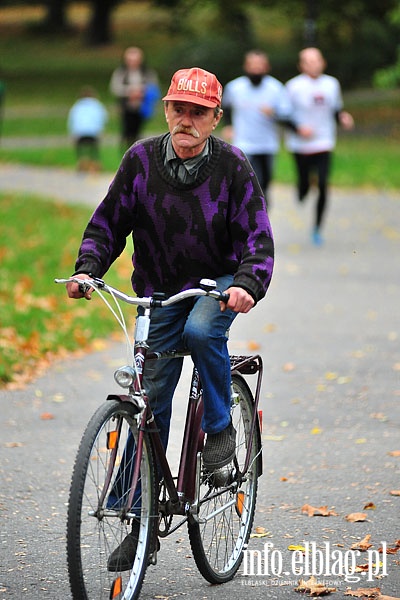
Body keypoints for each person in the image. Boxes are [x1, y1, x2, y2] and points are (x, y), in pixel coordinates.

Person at [65, 66, 274, 570]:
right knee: (150, 399)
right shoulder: (139, 161)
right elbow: (108, 221)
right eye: (179, 109)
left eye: (198, 112)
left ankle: (221, 430)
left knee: (202, 331)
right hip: (158, 292)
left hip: (217, 284)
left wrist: (246, 283)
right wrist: (88, 269)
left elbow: (257, 240)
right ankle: (138, 525)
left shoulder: (233, 167)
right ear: (166, 111)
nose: (187, 119)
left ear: (215, 118)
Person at [285, 47, 354, 245]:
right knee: (305, 183)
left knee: (323, 184)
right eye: (309, 61)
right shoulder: (293, 86)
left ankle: (316, 228)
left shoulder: (332, 84)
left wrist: (343, 117)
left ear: (323, 62)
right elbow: (284, 114)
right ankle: (303, 188)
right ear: (301, 65)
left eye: (317, 60)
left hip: (324, 141)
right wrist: (298, 128)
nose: (314, 64)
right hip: (300, 145)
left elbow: (336, 110)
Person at [222, 50, 292, 206]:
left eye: (259, 66)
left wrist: (274, 113)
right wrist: (228, 125)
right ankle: (252, 216)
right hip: (244, 144)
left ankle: (262, 214)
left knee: (264, 184)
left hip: (267, 144)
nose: (256, 69)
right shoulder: (234, 87)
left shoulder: (276, 88)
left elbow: (287, 116)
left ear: (267, 67)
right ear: (245, 67)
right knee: (251, 183)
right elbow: (225, 107)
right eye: (252, 66)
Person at [109, 46, 160, 150]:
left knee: (138, 132)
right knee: (127, 131)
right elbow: (115, 88)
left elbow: (153, 87)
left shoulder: (147, 73)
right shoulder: (121, 73)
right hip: (126, 107)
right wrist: (129, 92)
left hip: (141, 107)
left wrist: (142, 92)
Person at [67, 86, 108, 172]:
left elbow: (72, 120)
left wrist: (72, 133)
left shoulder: (77, 106)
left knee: (80, 147)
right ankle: (95, 162)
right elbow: (103, 118)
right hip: (93, 132)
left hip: (80, 132)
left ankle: (81, 161)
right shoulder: (97, 105)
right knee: (94, 148)